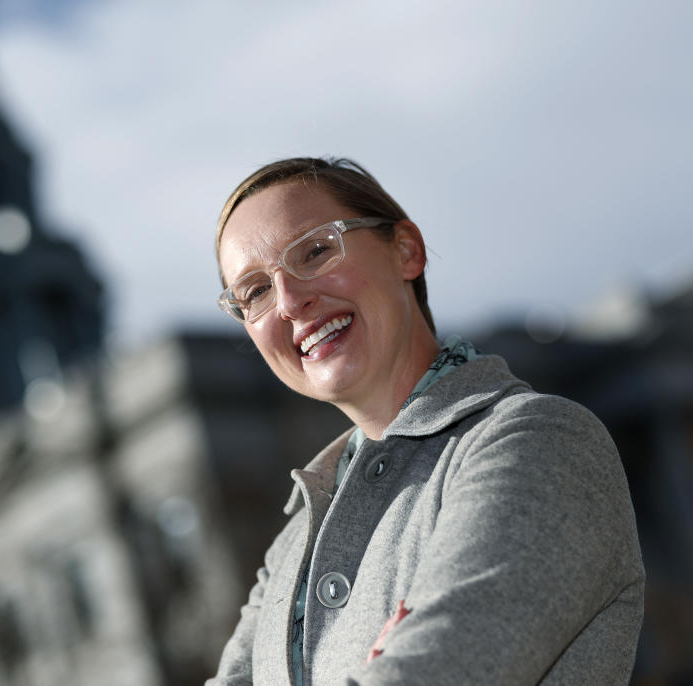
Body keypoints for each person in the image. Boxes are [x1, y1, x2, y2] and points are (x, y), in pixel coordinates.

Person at [206, 157, 644, 685]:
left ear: (406, 250)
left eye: (316, 250)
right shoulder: (288, 551)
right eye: (255, 291)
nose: (291, 302)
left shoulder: (536, 440)